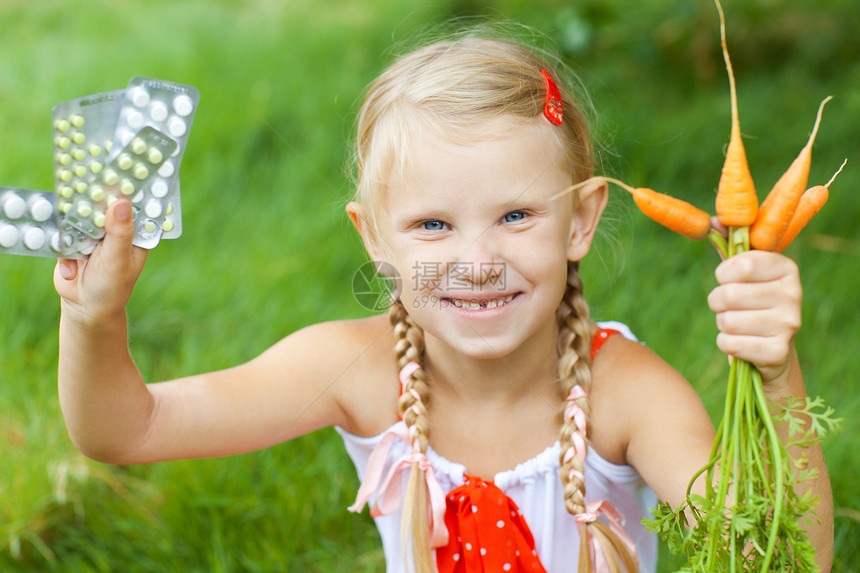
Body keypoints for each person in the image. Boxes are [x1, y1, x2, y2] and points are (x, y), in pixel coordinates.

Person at [53, 28, 833, 573]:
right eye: (432, 224)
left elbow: (783, 559)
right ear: (374, 238)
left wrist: (776, 371)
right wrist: (95, 317)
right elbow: (128, 428)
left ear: (582, 218)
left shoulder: (624, 393)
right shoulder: (354, 370)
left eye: (516, 215)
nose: (478, 261)